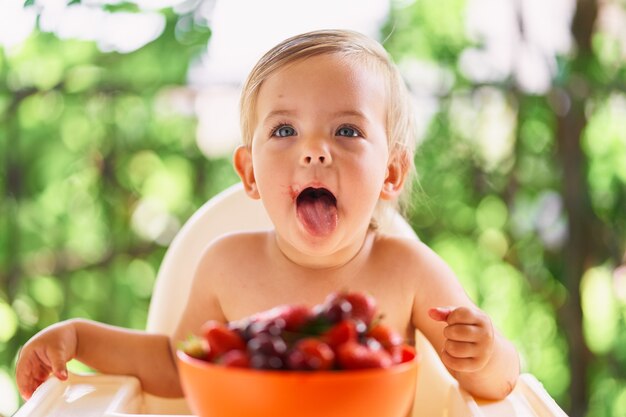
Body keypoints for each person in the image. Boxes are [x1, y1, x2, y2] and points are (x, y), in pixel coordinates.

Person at [16, 29, 519, 401]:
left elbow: (502, 384)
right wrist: (81, 337)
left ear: (391, 172)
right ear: (250, 172)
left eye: (346, 131)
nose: (315, 150)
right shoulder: (225, 266)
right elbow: (174, 365)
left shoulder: (410, 270)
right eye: (284, 131)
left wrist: (485, 354)